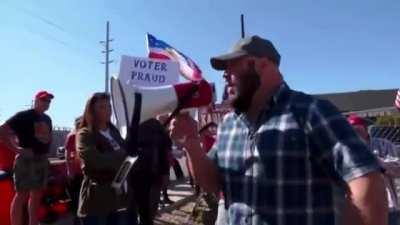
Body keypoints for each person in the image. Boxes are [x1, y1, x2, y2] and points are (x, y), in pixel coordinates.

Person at [170, 35, 388, 225]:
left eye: (233, 65)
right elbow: (212, 183)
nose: (225, 75)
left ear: (263, 64)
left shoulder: (311, 113)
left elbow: (365, 181)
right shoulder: (228, 125)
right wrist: (191, 143)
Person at [76, 92, 131, 225]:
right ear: (92, 110)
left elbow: (128, 160)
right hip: (96, 198)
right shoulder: (85, 134)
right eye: (102, 107)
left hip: (118, 198)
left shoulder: (114, 132)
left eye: (109, 106)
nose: (108, 110)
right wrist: (121, 155)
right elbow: (95, 160)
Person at [0, 90, 54, 225]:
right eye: (43, 100)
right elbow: (2, 131)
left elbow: (47, 138)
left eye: (48, 101)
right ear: (35, 101)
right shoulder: (23, 116)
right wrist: (17, 149)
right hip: (25, 161)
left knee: (36, 196)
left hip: (41, 161)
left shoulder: (47, 119)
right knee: (21, 196)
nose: (46, 103)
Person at [348, 114, 400, 225]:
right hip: (359, 210)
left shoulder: (384, 145)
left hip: (388, 207)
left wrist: (378, 162)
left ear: (366, 129)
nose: (354, 133)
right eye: (351, 130)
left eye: (357, 129)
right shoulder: (346, 150)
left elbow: (398, 168)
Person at [64, 116, 83, 225]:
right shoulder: (72, 136)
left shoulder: (85, 134)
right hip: (76, 173)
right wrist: (69, 171)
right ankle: (77, 221)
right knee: (76, 199)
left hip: (85, 172)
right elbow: (68, 154)